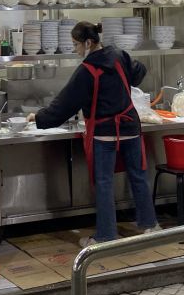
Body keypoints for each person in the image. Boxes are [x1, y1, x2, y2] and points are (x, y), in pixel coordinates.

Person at [30, 21, 159, 245]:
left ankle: (106, 236)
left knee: (104, 183)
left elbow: (65, 104)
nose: (75, 50)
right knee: (138, 176)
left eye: (76, 45)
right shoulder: (119, 55)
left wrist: (39, 117)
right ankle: (151, 226)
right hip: (131, 127)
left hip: (104, 133)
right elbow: (139, 71)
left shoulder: (86, 70)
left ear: (88, 43)